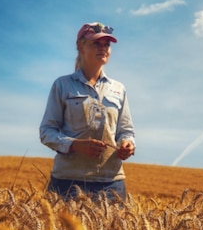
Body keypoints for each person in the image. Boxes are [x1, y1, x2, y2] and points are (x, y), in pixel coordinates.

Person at [39, 22, 136, 202]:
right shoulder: (62, 85)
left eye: (106, 45)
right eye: (96, 43)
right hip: (68, 182)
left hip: (111, 183)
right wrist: (75, 144)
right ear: (80, 46)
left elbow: (126, 130)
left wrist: (127, 144)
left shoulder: (118, 89)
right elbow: (46, 132)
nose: (103, 49)